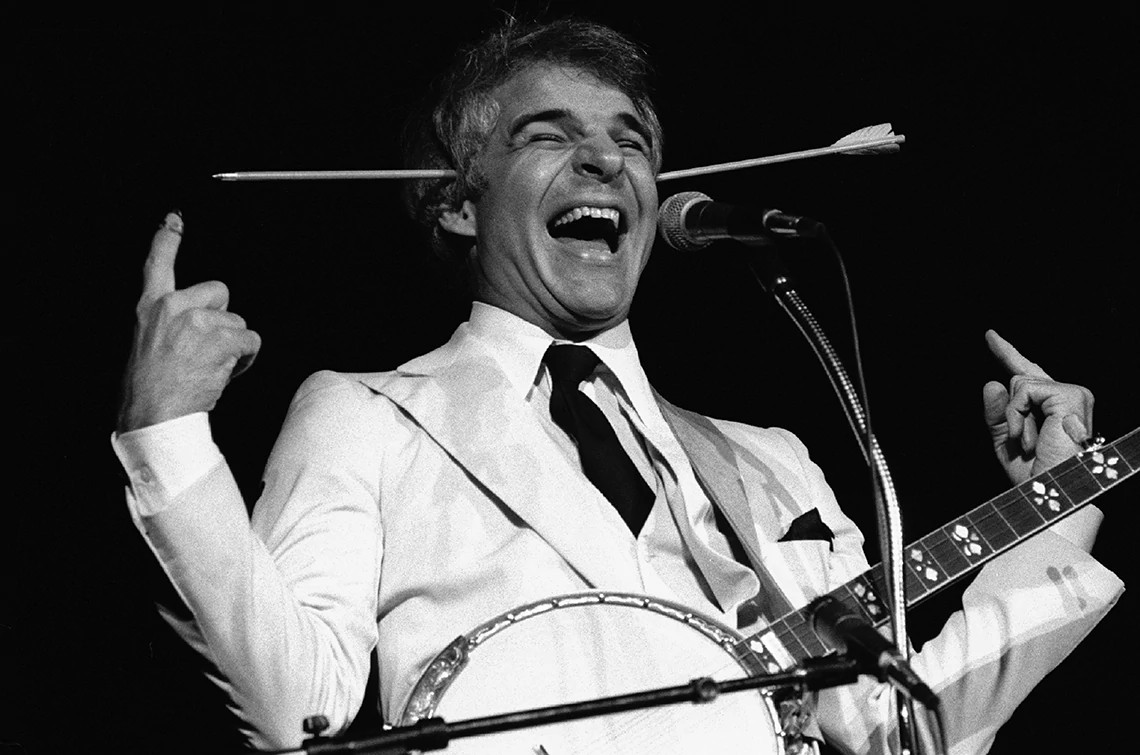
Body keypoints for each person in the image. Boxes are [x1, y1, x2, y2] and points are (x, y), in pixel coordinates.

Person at [112, 16, 1122, 755]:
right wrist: (167, 434)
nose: (604, 157)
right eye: (547, 135)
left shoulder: (768, 459)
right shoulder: (367, 412)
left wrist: (1056, 509)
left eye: (631, 139)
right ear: (458, 207)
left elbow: (907, 726)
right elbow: (302, 712)